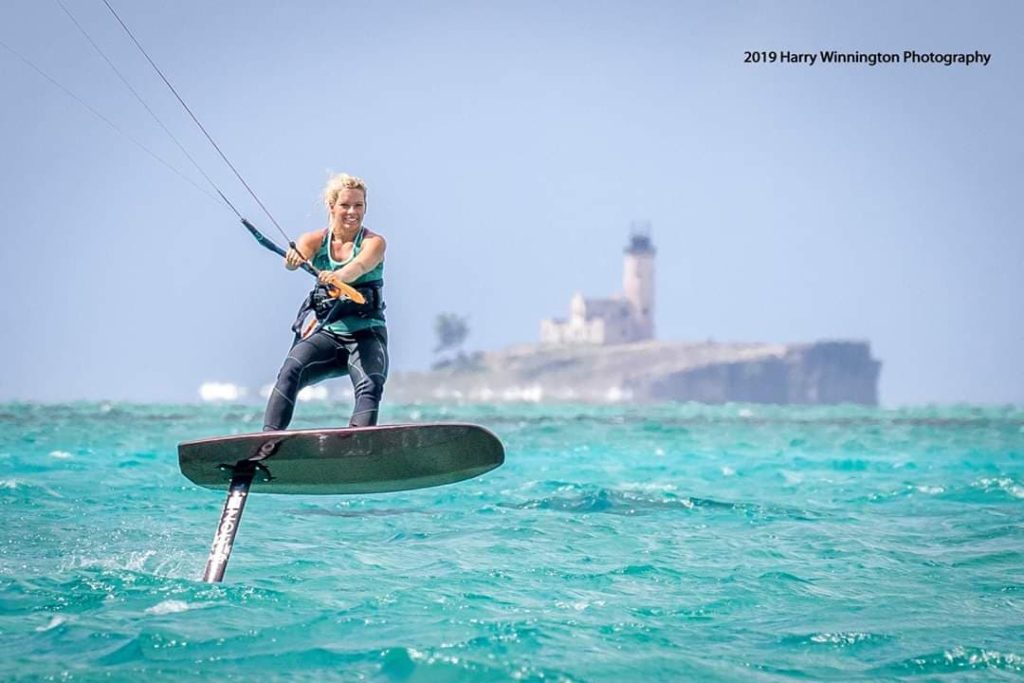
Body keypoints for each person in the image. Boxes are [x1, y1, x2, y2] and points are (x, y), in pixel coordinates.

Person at [263, 173, 388, 430]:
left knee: (371, 384)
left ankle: (357, 444)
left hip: (366, 336)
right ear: (331, 207)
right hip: (329, 338)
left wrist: (338, 276)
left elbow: (359, 266)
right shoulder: (314, 241)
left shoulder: (374, 243)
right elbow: (297, 256)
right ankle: (266, 444)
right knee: (289, 370)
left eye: (358, 205)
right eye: (345, 205)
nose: (352, 211)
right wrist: (292, 260)